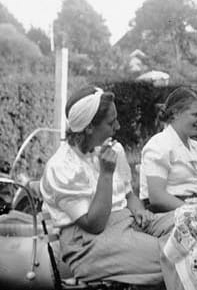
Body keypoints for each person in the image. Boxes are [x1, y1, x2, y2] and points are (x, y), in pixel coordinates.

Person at [40, 87, 179, 288]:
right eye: (111, 122)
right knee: (174, 254)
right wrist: (105, 174)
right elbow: (94, 224)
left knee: (193, 225)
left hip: (127, 221)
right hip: (88, 242)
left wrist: (139, 210)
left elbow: (129, 194)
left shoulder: (113, 148)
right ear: (89, 128)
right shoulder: (62, 167)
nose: (118, 126)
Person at [140, 87, 197, 212]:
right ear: (176, 113)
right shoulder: (159, 146)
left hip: (195, 209)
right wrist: (192, 210)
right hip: (166, 213)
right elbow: (157, 197)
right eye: (196, 114)